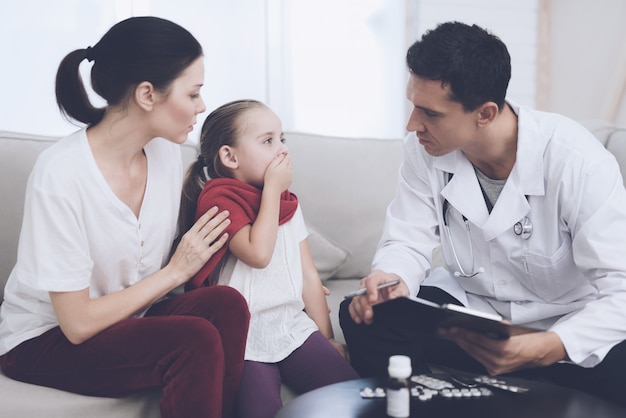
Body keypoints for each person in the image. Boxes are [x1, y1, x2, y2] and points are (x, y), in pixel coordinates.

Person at [339, 21, 626, 406]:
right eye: (413, 106)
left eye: (430, 113)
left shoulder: (579, 163)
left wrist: (548, 347)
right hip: (475, 320)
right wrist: (389, 280)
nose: (412, 125)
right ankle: (438, 406)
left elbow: (621, 289)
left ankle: (522, 381)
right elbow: (407, 240)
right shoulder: (423, 150)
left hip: (564, 326)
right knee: (365, 316)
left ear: (486, 113)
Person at [0, 16, 249, 418]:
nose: (202, 107)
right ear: (147, 94)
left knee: (226, 306)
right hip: (46, 339)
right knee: (194, 338)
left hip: (128, 320)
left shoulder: (166, 153)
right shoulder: (61, 174)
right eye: (193, 93)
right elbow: (77, 324)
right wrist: (173, 272)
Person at [179, 99, 358, 418]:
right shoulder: (220, 199)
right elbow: (257, 254)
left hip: (291, 325)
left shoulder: (287, 203)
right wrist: (273, 192)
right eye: (267, 141)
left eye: (282, 139)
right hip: (243, 337)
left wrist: (326, 337)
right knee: (259, 410)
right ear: (229, 156)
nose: (282, 150)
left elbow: (308, 275)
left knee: (355, 396)